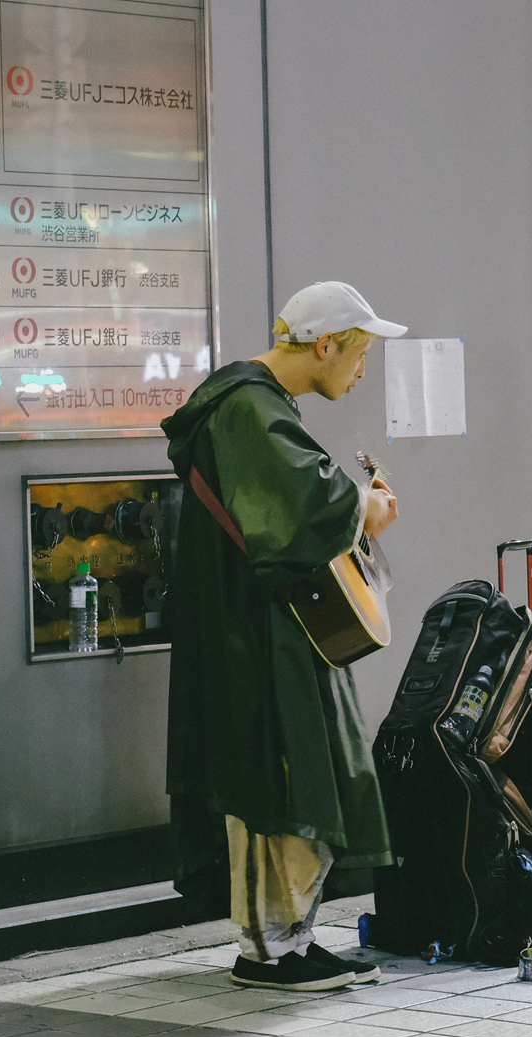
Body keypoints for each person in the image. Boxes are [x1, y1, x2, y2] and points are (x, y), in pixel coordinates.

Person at [161, 281, 404, 992]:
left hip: (254, 628)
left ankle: (284, 943)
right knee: (279, 776)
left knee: (279, 778)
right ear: (324, 345)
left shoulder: (253, 404)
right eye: (359, 354)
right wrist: (363, 506)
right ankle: (272, 949)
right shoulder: (247, 408)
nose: (362, 372)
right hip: (255, 636)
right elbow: (298, 505)